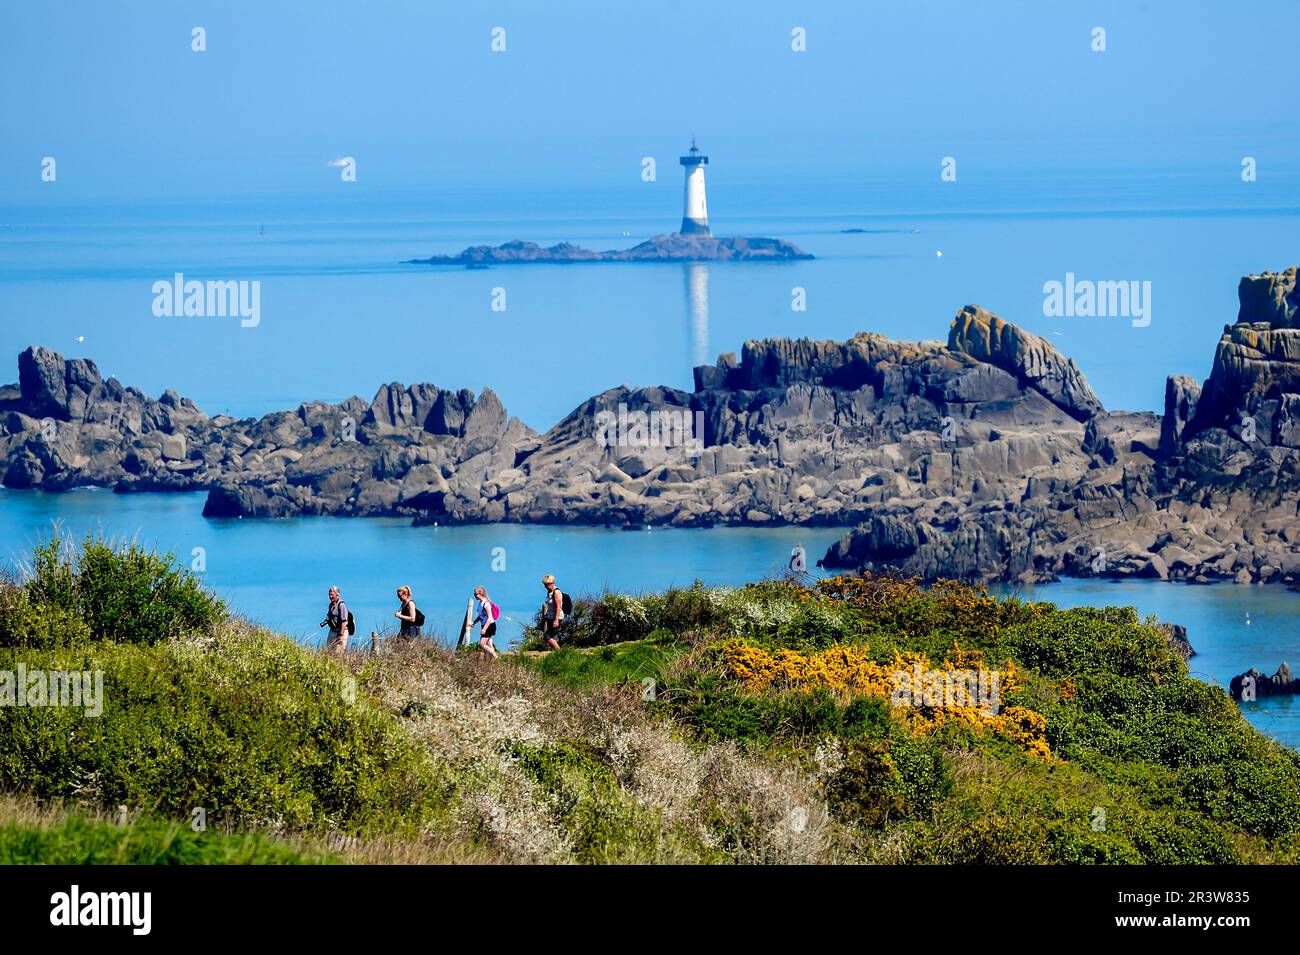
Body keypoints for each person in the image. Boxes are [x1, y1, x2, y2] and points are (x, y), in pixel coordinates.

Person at [321, 585, 350, 656]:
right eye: (329, 595)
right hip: (332, 631)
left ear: (337, 594)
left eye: (332, 595)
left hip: (341, 631)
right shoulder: (331, 605)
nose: (330, 597)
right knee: (329, 652)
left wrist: (341, 635)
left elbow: (344, 621)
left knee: (338, 654)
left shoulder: (341, 605)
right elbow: (329, 616)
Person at [472, 586, 499, 659]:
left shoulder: (486, 604)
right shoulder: (480, 603)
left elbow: (490, 618)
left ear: (480, 593)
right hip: (485, 625)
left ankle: (496, 657)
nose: (474, 596)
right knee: (489, 644)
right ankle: (490, 662)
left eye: (475, 594)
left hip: (489, 625)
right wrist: (473, 623)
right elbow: (480, 616)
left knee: (482, 644)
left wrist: (484, 629)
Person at [540, 574, 564, 651]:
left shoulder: (556, 592)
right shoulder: (549, 592)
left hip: (556, 617)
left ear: (552, 583)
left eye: (547, 584)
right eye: (545, 584)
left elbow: (558, 607)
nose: (545, 586)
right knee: (551, 636)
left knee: (547, 636)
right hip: (550, 617)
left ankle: (559, 653)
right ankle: (556, 653)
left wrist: (556, 620)